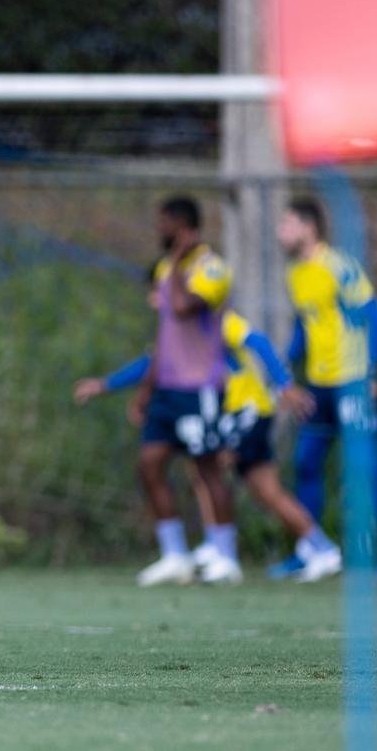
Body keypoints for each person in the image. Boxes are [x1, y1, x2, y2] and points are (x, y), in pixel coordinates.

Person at [76, 291, 342, 583]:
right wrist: (107, 384)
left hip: (245, 409)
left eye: (160, 291)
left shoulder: (216, 321)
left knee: (214, 468)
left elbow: (258, 342)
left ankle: (224, 550)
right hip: (233, 411)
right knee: (256, 486)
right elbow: (152, 364)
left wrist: (284, 384)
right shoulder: (179, 333)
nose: (154, 299)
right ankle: (318, 548)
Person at [273, 197, 377, 579]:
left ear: (309, 227)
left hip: (352, 381)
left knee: (364, 466)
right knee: (305, 462)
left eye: (287, 224)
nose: (280, 232)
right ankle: (311, 549)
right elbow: (305, 327)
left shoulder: (338, 266)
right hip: (319, 385)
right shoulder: (295, 273)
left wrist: (370, 374)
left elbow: (374, 318)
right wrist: (283, 365)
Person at [126, 196, 237, 586]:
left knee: (207, 470)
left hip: (199, 387)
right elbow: (166, 334)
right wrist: (145, 390)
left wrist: (176, 263)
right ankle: (175, 555)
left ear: (183, 226)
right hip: (167, 389)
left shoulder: (211, 268)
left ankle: (225, 556)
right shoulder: (167, 268)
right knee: (149, 464)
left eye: (164, 223)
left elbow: (182, 306)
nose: (159, 230)